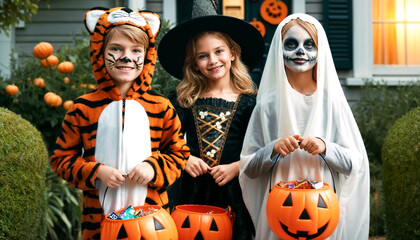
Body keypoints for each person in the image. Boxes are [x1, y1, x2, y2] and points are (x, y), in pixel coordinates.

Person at [49, 7, 189, 239]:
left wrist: (153, 167)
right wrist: (96, 171)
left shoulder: (161, 107)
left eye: (136, 50)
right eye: (116, 49)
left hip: (152, 222)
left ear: (147, 55)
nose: (126, 57)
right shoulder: (82, 108)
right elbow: (61, 160)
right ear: (99, 53)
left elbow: (179, 154)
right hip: (99, 220)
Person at [239, 13, 370, 240]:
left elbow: (355, 164)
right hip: (279, 210)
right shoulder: (268, 105)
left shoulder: (332, 104)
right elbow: (249, 168)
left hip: (321, 210)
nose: (301, 52)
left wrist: (325, 147)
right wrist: (272, 149)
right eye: (292, 44)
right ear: (280, 51)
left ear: (320, 52)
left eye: (309, 45)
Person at [158, 14, 265, 239]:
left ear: (232, 53)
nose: (213, 60)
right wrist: (184, 159)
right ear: (194, 64)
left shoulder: (250, 102)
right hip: (192, 191)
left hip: (233, 190)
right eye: (203, 56)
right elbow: (165, 141)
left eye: (219, 51)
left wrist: (236, 167)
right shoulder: (185, 100)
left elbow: (260, 149)